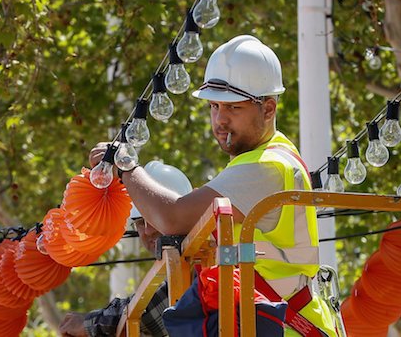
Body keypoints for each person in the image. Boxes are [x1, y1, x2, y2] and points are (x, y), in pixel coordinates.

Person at [88, 35, 338, 336]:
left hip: (285, 327)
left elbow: (172, 217)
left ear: (268, 109)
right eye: (214, 106)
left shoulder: (267, 166)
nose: (219, 119)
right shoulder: (256, 163)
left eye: (233, 108)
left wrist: (125, 165)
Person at [58, 161, 193, 337]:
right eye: (139, 222)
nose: (147, 230)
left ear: (182, 213)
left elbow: (150, 314)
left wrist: (87, 324)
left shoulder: (203, 251)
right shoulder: (180, 262)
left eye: (153, 218)